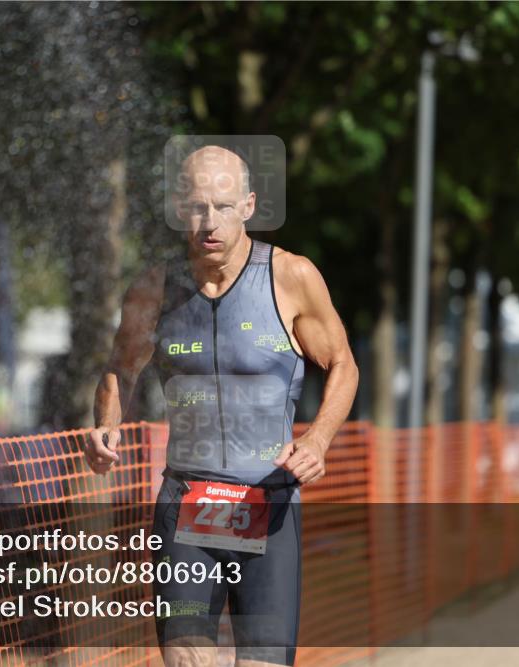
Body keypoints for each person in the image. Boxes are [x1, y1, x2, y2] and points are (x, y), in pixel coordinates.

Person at [85, 146, 359, 666]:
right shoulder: (153, 289)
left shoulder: (291, 277)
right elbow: (121, 368)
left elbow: (342, 363)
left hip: (268, 504)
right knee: (186, 660)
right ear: (178, 207)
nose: (209, 222)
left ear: (249, 206)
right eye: (196, 207)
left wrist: (318, 439)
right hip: (186, 506)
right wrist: (106, 425)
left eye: (224, 206)